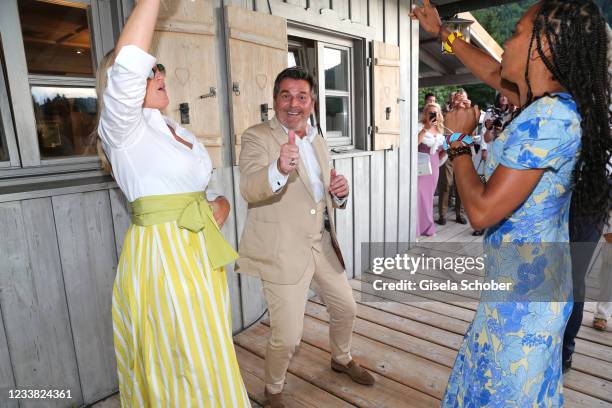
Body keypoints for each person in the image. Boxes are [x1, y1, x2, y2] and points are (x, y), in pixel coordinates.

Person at [412, 1, 611, 407]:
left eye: (518, 31)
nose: (508, 39)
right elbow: (489, 68)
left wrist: (458, 141)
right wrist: (443, 34)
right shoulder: (549, 101)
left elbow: (483, 211)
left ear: (544, 46)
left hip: (525, 296)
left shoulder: (549, 119)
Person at [96, 0, 250, 406]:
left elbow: (204, 188)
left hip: (198, 255)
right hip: (164, 260)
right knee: (181, 365)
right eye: (151, 71)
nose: (159, 73)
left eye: (160, 67)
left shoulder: (170, 129)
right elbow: (128, 64)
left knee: (207, 352)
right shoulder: (122, 131)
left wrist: (219, 206)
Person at [236, 67, 375, 408]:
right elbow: (249, 188)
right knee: (286, 337)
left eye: (301, 97)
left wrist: (340, 194)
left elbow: (324, 193)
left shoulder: (319, 141)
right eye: (286, 95)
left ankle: (340, 359)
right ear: (274, 100)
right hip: (283, 251)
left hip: (322, 243)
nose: (293, 104)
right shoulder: (256, 137)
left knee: (347, 308)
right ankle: (273, 390)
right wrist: (279, 169)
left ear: (312, 103)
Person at [437, 90, 469, 226]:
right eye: (458, 98)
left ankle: (460, 214)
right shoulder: (446, 113)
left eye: (463, 99)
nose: (460, 101)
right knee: (446, 184)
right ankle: (442, 215)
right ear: (453, 100)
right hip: (448, 152)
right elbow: (441, 125)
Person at [417, 103, 445, 236]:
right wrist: (425, 129)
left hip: (434, 166)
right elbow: (413, 144)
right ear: (425, 114)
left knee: (428, 198)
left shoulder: (440, 131)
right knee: (418, 196)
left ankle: (428, 228)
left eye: (436, 113)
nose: (433, 115)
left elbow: (441, 153)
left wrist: (448, 150)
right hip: (420, 165)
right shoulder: (418, 126)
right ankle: (415, 229)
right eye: (430, 113)